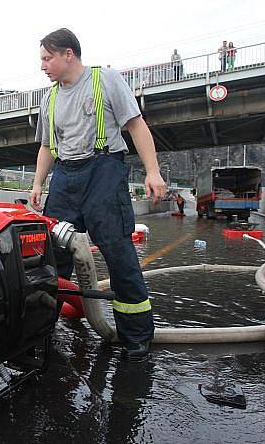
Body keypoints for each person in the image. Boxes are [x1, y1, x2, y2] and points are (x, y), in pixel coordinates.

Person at [30, 28, 166, 361]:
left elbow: (136, 125)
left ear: (68, 54)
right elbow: (48, 146)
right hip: (65, 177)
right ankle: (35, 331)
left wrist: (153, 171)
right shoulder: (49, 98)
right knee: (50, 259)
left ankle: (135, 337)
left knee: (118, 253)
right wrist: (37, 184)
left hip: (103, 170)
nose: (43, 66)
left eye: (47, 58)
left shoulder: (104, 79)